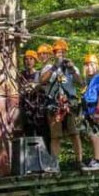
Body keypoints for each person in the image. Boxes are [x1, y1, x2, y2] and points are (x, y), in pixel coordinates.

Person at [40, 39, 84, 167]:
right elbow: (42, 81)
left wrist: (72, 69)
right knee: (55, 136)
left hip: (70, 104)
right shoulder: (49, 67)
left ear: (66, 53)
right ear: (53, 54)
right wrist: (54, 68)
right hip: (54, 105)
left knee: (74, 133)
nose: (60, 55)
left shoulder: (72, 68)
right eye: (58, 52)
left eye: (62, 52)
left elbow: (80, 83)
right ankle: (54, 163)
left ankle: (79, 161)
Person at [80, 53, 99, 171]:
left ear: (97, 66)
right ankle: (96, 159)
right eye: (87, 65)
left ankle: (98, 160)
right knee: (92, 135)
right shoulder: (89, 81)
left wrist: (98, 111)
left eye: (91, 65)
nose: (89, 67)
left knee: (96, 135)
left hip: (96, 110)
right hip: (88, 111)